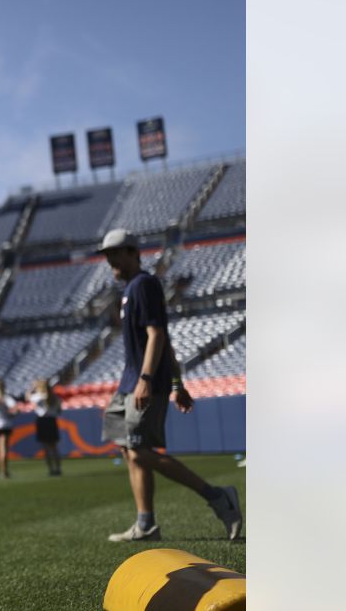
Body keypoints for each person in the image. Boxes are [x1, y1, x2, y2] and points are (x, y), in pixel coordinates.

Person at [96, 229, 243, 542]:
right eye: (108, 255)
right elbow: (164, 339)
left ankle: (218, 496)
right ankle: (146, 524)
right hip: (129, 382)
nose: (111, 260)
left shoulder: (144, 284)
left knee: (139, 451)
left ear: (134, 252)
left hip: (142, 381)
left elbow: (158, 335)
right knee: (129, 450)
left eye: (117, 253)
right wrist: (178, 382)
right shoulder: (130, 289)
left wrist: (149, 380)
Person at [29, 379, 63, 476]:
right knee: (54, 447)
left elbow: (27, 397)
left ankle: (51, 469)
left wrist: (33, 387)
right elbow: (59, 411)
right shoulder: (55, 397)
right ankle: (58, 468)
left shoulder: (37, 397)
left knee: (46, 448)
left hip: (42, 421)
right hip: (52, 421)